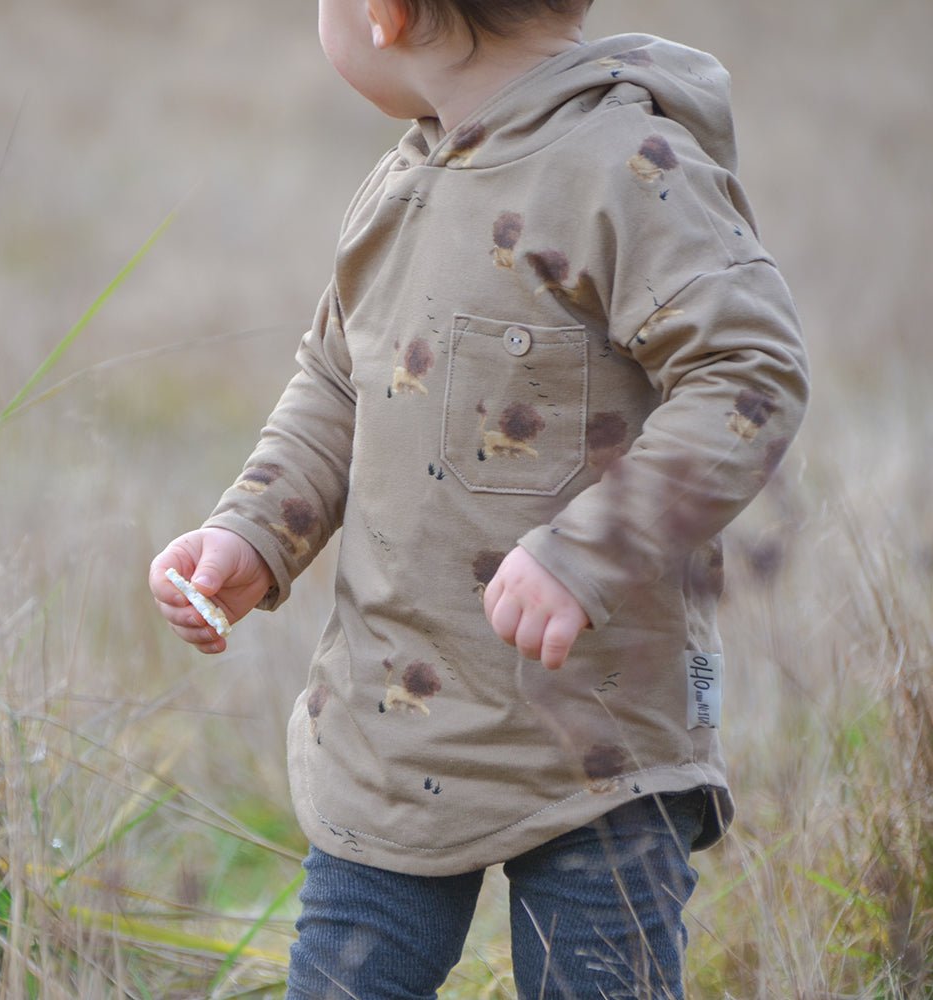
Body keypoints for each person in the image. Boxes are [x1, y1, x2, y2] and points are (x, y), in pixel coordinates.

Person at [149, 0, 809, 996]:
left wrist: (586, 552)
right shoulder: (403, 180)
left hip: (599, 749)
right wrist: (255, 529)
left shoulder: (626, 168)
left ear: (385, 12)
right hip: (391, 731)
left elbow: (748, 370)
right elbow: (337, 381)